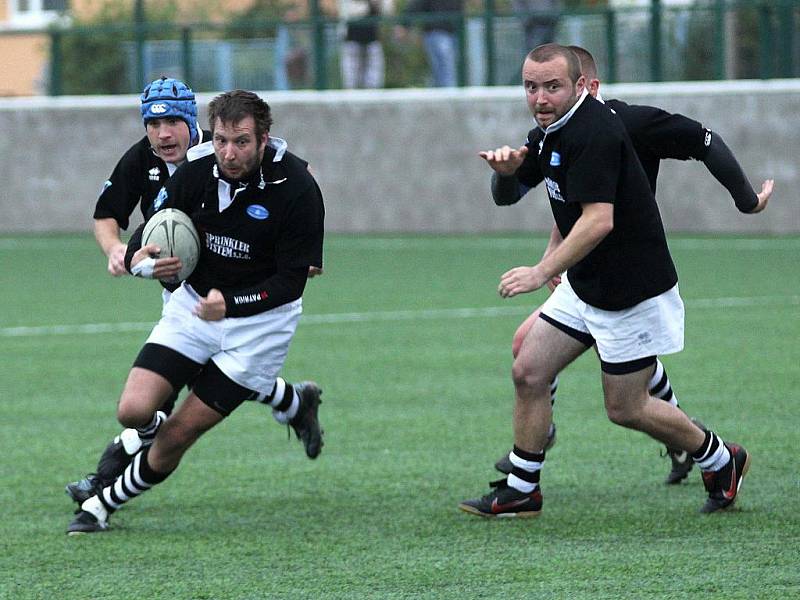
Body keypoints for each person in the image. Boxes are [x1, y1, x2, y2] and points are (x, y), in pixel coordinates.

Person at [459, 44, 756, 518]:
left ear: (582, 87)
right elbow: (510, 194)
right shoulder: (549, 132)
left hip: (630, 291)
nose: (539, 98)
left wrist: (542, 270)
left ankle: (721, 458)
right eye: (531, 87)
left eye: (552, 86)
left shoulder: (596, 131)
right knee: (529, 369)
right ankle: (521, 489)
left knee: (626, 408)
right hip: (588, 283)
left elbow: (599, 221)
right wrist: (505, 173)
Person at [67, 89, 326, 534]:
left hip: (260, 326)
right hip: (192, 305)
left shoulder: (297, 187)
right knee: (133, 410)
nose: (229, 152)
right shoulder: (195, 169)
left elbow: (291, 282)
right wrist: (141, 259)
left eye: (241, 141)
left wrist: (234, 303)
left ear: (264, 138)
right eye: (222, 140)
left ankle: (102, 502)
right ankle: (290, 400)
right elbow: (150, 229)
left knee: (179, 432)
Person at [397, 0, 463, 87]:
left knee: (441, 71)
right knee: (446, 69)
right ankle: (448, 97)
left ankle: (439, 95)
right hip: (436, 32)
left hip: (454, 32)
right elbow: (417, 4)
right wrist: (404, 24)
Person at [340, 0, 394, 89]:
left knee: (374, 80)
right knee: (351, 81)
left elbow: (388, 11)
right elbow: (347, 12)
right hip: (352, 38)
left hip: (372, 38)